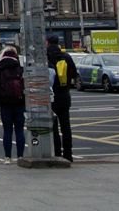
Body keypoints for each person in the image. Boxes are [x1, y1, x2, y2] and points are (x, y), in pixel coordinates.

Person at [0, 47, 26, 164]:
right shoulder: (20, 69)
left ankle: (7, 157)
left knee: (7, 131)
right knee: (20, 131)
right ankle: (20, 156)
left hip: (5, 104)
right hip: (20, 103)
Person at [47, 34, 79, 162]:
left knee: (53, 126)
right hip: (65, 95)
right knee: (66, 126)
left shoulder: (46, 57)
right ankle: (68, 154)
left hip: (51, 96)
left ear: (47, 43)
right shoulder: (66, 57)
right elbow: (74, 73)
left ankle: (57, 152)